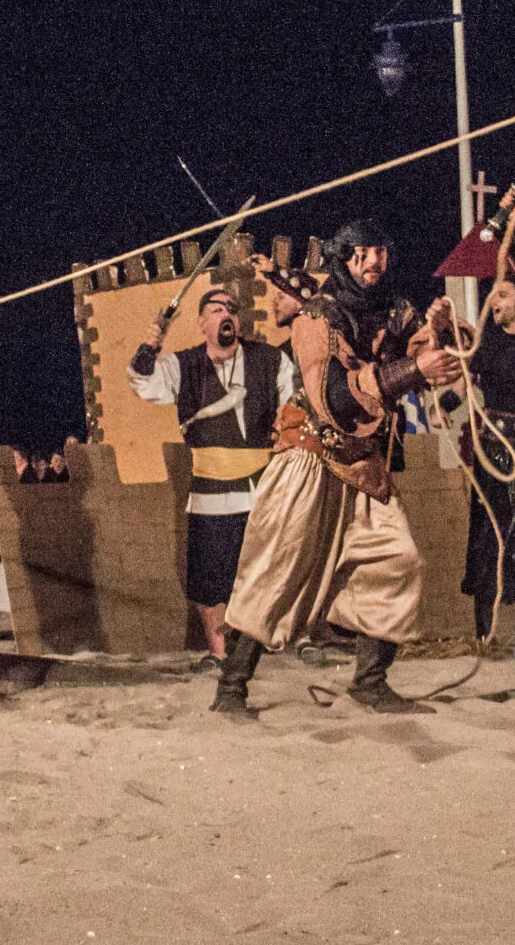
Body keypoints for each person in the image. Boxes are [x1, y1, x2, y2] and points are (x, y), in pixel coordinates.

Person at [214, 219, 462, 715]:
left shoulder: (395, 311)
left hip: (363, 463)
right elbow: (333, 399)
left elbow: (433, 355)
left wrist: (441, 334)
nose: (374, 262)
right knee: (277, 570)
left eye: (380, 252)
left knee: (398, 560)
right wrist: (414, 371)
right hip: (310, 458)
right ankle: (231, 689)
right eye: (362, 254)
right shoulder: (316, 317)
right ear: (343, 258)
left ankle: (370, 683)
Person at [129, 283, 298, 661]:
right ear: (202, 323)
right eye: (217, 309)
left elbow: (293, 401)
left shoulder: (268, 360)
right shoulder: (183, 365)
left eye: (232, 310)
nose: (227, 314)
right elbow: (143, 383)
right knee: (210, 579)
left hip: (262, 490)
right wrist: (151, 345)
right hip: (209, 493)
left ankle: (272, 645)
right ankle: (220, 654)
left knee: (268, 572)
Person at [459, 274, 515, 636]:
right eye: (493, 295)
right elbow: (462, 382)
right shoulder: (487, 343)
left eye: (503, 294)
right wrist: (444, 404)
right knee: (487, 532)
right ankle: (483, 635)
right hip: (494, 450)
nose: (494, 302)